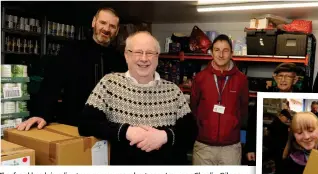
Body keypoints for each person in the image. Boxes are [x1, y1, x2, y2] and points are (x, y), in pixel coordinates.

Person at [78, 31, 197, 165]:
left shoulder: (173, 90)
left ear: (157, 57)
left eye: (150, 53)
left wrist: (164, 136)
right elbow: (86, 124)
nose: (144, 58)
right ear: (126, 55)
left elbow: (191, 131)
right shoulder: (109, 84)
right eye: (138, 52)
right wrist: (126, 131)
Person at [17, 7, 127, 131]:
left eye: (112, 26)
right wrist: (41, 114)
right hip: (74, 125)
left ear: (117, 31)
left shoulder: (120, 60)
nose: (106, 29)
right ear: (94, 22)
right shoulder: (71, 51)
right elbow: (51, 84)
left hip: (108, 128)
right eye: (103, 23)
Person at [190, 34, 249, 165]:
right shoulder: (200, 78)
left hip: (231, 147)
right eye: (217, 50)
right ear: (211, 53)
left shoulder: (241, 79)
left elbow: (244, 110)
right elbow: (193, 108)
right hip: (203, 146)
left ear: (232, 53)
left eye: (225, 50)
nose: (221, 55)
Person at [246, 63, 298, 164]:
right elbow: (253, 124)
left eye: (287, 76)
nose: (283, 80)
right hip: (267, 149)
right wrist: (250, 148)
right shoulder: (264, 97)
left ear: (294, 80)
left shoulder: (301, 98)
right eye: (280, 76)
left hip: (290, 151)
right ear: (275, 78)